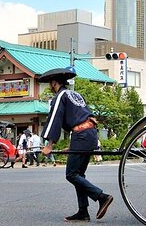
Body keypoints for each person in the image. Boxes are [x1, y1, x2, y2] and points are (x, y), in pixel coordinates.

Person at [39, 67, 114, 222]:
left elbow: (55, 118)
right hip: (89, 134)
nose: (50, 87)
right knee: (79, 175)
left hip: (82, 135)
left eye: (50, 84)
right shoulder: (75, 94)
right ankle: (83, 212)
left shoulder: (60, 96)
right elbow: (82, 116)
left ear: (54, 83)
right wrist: (74, 145)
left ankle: (102, 197)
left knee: (72, 174)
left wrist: (49, 144)